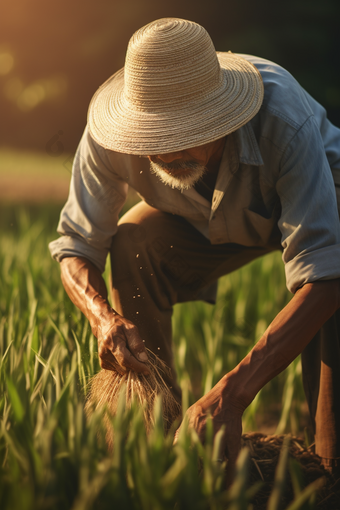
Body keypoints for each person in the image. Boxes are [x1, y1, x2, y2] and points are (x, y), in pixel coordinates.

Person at [49, 18, 340, 480]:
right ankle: (160, 447)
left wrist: (234, 392)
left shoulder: (283, 120)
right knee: (134, 242)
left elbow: (326, 274)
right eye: (152, 137)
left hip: (323, 206)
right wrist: (104, 318)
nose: (164, 151)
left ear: (222, 114)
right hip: (196, 221)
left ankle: (327, 463)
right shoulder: (110, 131)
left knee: (333, 452)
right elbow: (75, 245)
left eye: (184, 133)